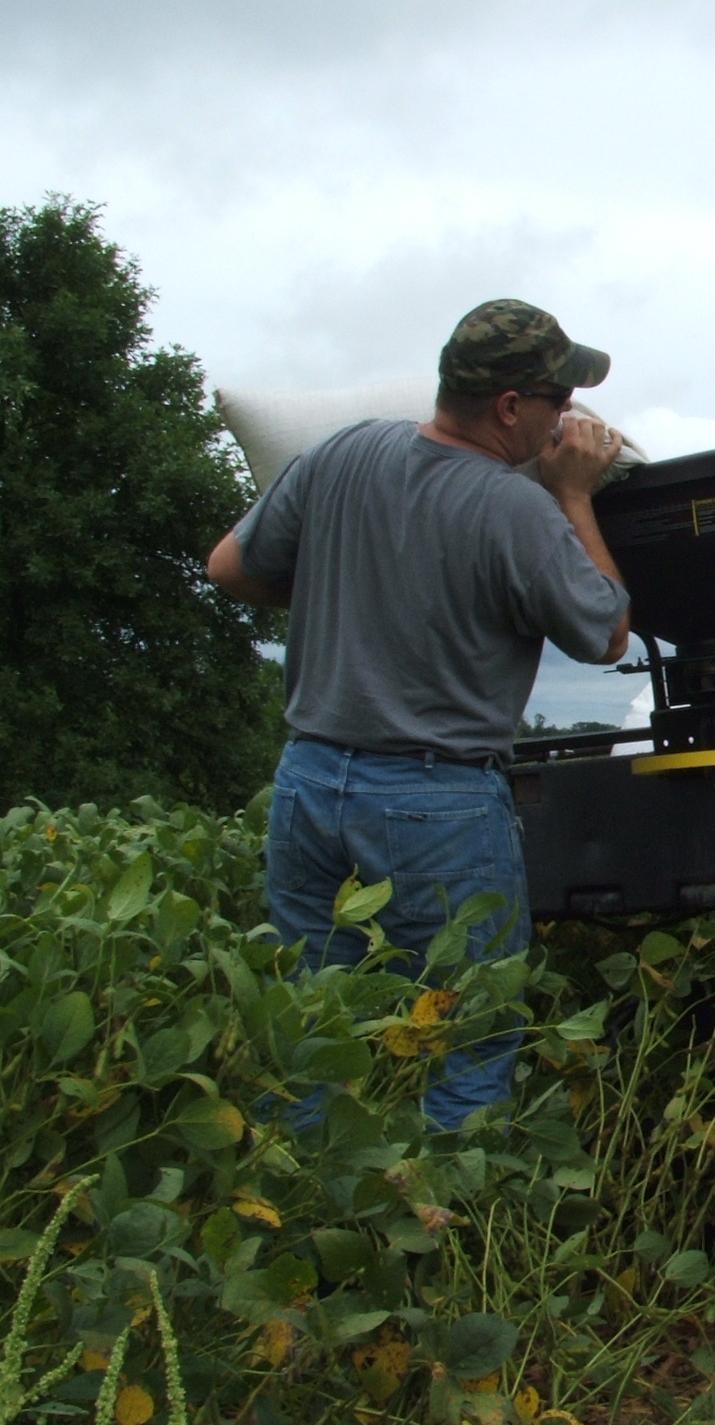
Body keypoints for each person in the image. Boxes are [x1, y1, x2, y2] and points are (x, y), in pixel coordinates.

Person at [206, 299, 630, 1130]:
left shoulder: (344, 452)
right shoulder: (516, 508)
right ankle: (447, 1236)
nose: (568, 415)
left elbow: (230, 567)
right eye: (558, 399)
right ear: (512, 409)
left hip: (309, 779)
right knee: (469, 1031)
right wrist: (574, 496)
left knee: (310, 1027)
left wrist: (342, 592)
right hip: (436, 801)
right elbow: (607, 632)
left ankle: (296, 1218)